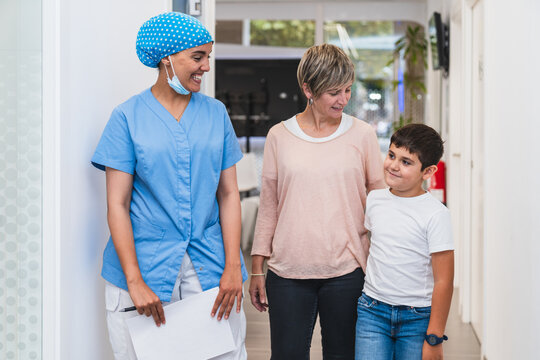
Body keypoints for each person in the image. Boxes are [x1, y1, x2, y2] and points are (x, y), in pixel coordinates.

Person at [91, 12, 247, 360]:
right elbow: (117, 203)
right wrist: (133, 280)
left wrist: (233, 266)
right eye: (198, 57)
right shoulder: (127, 117)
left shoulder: (215, 113)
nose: (206, 66)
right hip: (143, 266)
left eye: (208, 56)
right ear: (166, 59)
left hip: (209, 264)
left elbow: (228, 193)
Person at [249, 43, 386, 359]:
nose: (343, 100)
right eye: (334, 92)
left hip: (348, 271)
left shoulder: (362, 135)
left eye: (348, 90)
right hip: (287, 273)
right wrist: (258, 268)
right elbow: (269, 205)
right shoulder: (278, 137)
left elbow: (378, 204)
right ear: (308, 88)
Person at [355, 124, 454, 360]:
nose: (393, 165)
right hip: (372, 311)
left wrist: (435, 337)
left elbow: (444, 280)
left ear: (428, 172)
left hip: (417, 318)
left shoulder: (436, 214)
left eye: (406, 162)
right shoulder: (375, 199)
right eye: (391, 155)